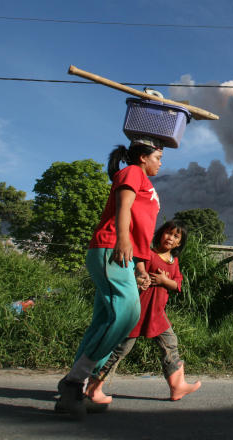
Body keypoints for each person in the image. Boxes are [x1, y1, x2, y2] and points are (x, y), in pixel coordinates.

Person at [55, 138, 164, 419]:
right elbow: (123, 207)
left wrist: (140, 266)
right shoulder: (132, 172)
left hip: (124, 257)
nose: (160, 163)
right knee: (127, 315)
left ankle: (80, 389)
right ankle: (73, 383)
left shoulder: (143, 179)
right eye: (158, 157)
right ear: (142, 157)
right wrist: (122, 241)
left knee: (105, 321)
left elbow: (142, 226)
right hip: (110, 249)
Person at [84, 220, 202, 403]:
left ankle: (177, 386)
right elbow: (135, 273)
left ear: (179, 243)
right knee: (120, 350)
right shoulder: (147, 255)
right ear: (160, 234)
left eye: (176, 236)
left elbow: (177, 285)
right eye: (168, 233)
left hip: (156, 314)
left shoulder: (174, 261)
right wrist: (141, 279)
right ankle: (93, 387)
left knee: (170, 344)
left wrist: (164, 280)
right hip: (138, 312)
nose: (170, 238)